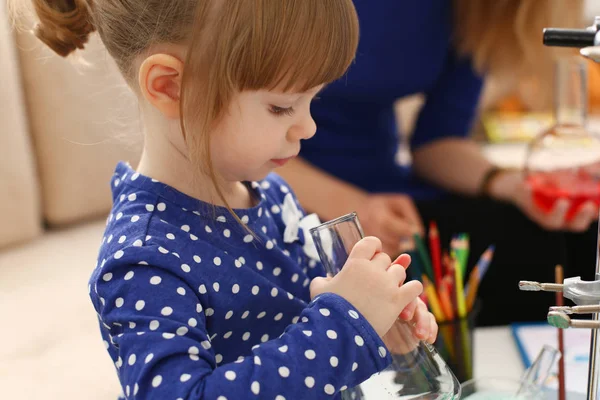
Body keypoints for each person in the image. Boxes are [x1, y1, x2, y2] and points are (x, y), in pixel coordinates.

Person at [14, 0, 439, 399]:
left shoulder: (269, 192)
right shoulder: (144, 259)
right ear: (169, 87)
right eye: (281, 106)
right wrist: (343, 325)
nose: (307, 127)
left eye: (314, 99)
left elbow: (306, 326)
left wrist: (374, 323)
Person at [276, 0, 597, 326]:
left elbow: (438, 141)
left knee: (555, 235)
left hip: (390, 201)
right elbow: (225, 139)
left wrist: (511, 185)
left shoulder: (474, 10)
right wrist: (352, 208)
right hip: (276, 189)